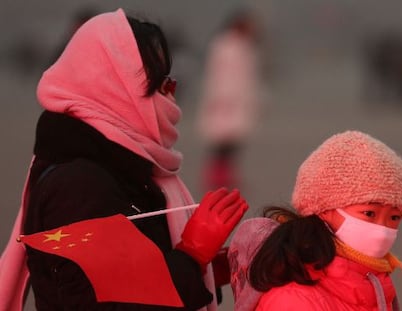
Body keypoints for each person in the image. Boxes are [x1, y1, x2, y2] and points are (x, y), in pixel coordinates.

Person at [0, 8, 248, 310]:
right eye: (162, 84)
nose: (171, 98)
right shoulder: (76, 186)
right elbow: (109, 302)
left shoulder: (120, 163)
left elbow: (135, 268)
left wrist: (206, 269)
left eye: (172, 83)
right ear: (116, 89)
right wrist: (191, 254)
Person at [231, 130, 402, 310]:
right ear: (324, 209)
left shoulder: (374, 281)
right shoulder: (294, 300)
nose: (382, 230)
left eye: (394, 217)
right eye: (369, 213)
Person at [196, 9, 263, 191]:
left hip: (238, 100)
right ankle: (216, 176)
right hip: (225, 100)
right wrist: (222, 97)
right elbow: (220, 75)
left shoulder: (243, 46)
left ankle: (227, 175)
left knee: (233, 143)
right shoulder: (226, 46)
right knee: (221, 142)